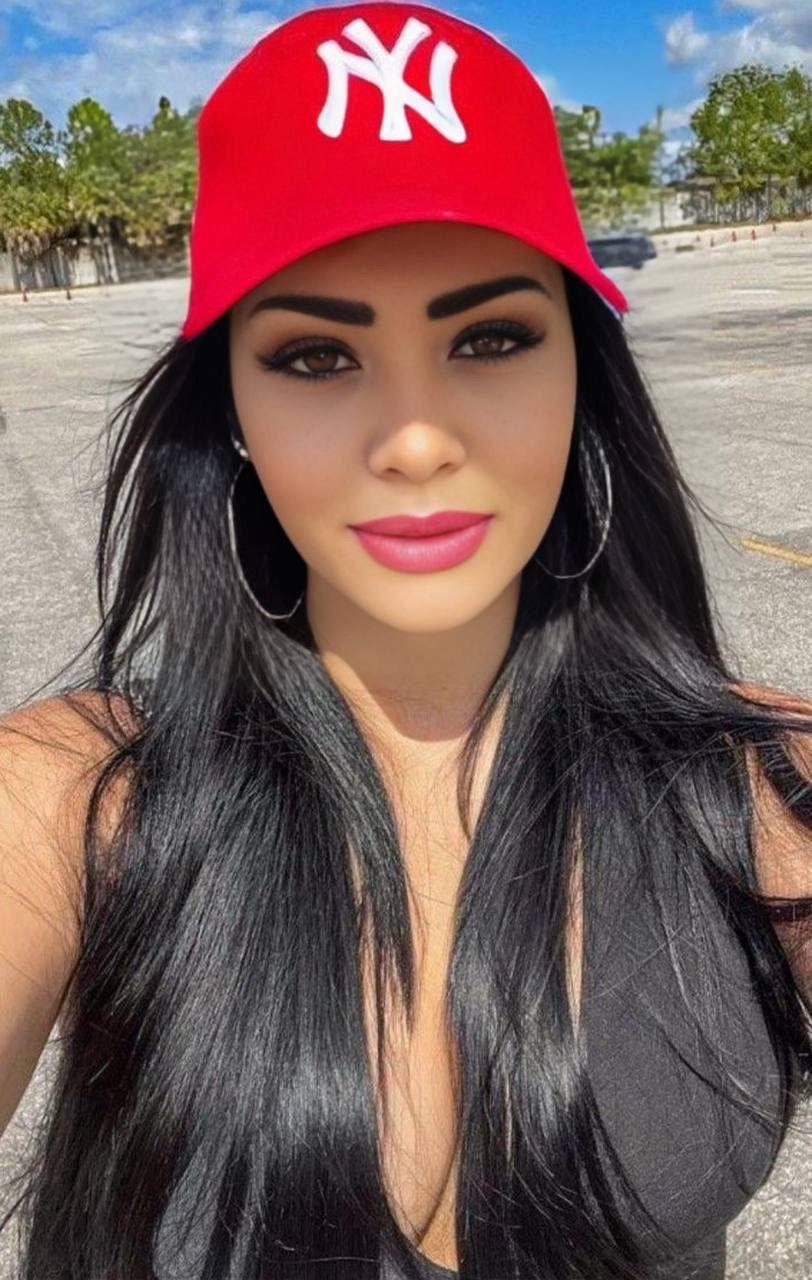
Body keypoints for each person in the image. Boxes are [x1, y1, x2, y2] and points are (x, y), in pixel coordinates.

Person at [1, 3, 811, 1278]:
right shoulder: (70, 801)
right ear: (232, 409)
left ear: (581, 369)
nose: (417, 438)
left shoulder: (760, 787)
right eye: (316, 355)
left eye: (489, 337)